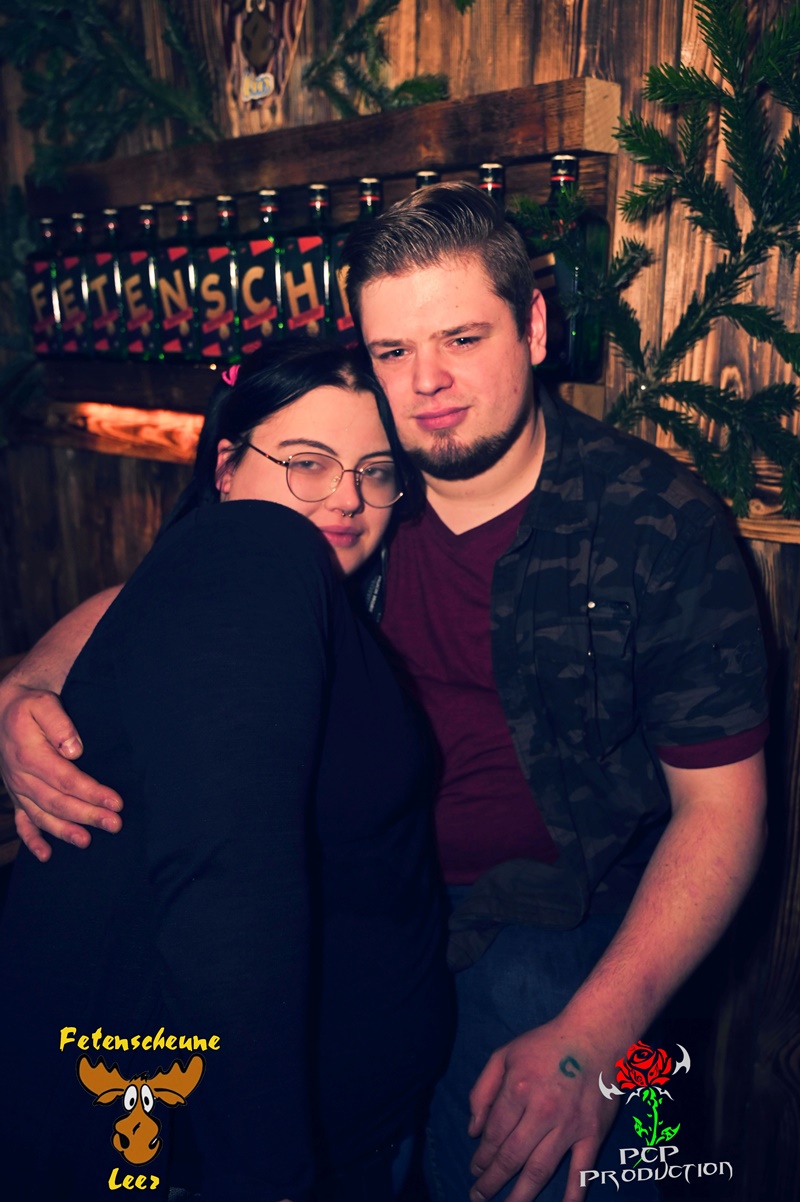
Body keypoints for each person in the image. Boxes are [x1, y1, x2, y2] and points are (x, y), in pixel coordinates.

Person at [0, 184, 769, 1202]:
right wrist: (26, 685)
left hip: (551, 914)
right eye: (393, 350)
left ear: (534, 328)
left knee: (579, 1159)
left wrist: (592, 1039)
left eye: (462, 338)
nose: (428, 382)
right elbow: (173, 597)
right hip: (338, 895)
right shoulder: (352, 486)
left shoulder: (650, 520)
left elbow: (720, 809)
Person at [0, 339, 451, 1202]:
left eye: (375, 471)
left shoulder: (309, 598)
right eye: (307, 462)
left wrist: (23, 683)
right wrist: (263, 1169)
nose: (347, 497)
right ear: (226, 469)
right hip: (260, 1149)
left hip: (360, 1126)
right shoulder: (255, 554)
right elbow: (226, 885)